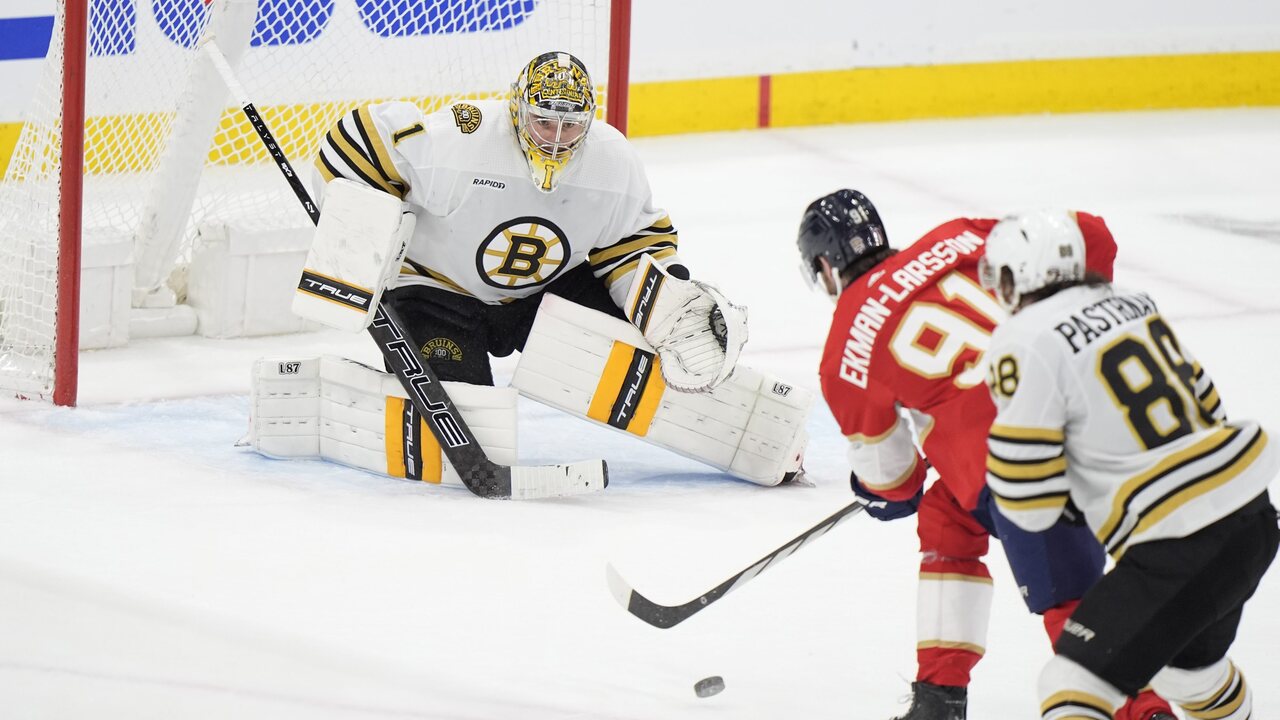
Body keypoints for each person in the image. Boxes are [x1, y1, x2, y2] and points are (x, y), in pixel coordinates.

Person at [797, 190, 1173, 720]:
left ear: (823, 266)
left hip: (1022, 465)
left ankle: (1144, 708)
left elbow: (895, 485)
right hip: (1108, 412)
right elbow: (1093, 238)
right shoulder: (959, 235)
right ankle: (938, 697)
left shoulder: (845, 349)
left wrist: (876, 491)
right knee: (947, 516)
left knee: (1072, 604)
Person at [980, 210, 1278, 720]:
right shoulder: (1132, 302)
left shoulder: (1022, 338)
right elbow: (1207, 403)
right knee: (1187, 676)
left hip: (1179, 539)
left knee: (1068, 683)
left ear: (1019, 275)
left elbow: (1028, 501)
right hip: (1251, 518)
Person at [311, 50, 743, 393]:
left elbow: (633, 245)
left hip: (542, 298)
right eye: (544, 121)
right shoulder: (464, 140)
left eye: (570, 126)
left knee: (641, 352)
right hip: (437, 292)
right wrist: (358, 237)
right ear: (518, 108)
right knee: (465, 411)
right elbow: (354, 143)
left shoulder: (612, 162)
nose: (556, 138)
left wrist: (667, 301)